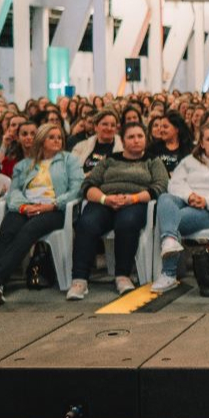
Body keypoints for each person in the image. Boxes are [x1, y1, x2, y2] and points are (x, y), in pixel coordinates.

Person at [0, 123, 83, 304]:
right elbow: (13, 192)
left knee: (30, 229)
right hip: (26, 207)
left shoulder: (68, 160)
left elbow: (77, 189)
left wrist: (52, 205)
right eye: (52, 137)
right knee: (8, 228)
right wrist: (24, 207)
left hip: (55, 209)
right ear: (41, 141)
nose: (57, 140)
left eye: (59, 137)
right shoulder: (24, 165)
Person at [68, 122, 168, 300]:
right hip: (105, 200)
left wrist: (133, 198)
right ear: (122, 140)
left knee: (126, 223)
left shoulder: (153, 161)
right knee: (87, 223)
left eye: (140, 136)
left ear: (145, 139)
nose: (136, 140)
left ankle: (122, 276)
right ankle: (79, 280)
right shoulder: (109, 159)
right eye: (131, 137)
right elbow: (88, 185)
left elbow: (159, 187)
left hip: (136, 201)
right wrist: (105, 199)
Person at [152, 122, 209, 293]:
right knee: (165, 198)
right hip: (187, 200)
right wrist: (190, 196)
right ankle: (170, 242)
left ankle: (169, 273)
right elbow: (174, 184)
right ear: (201, 143)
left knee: (172, 220)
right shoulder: (189, 161)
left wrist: (207, 200)